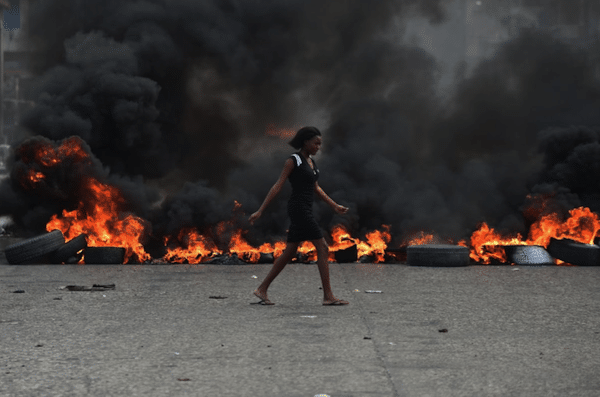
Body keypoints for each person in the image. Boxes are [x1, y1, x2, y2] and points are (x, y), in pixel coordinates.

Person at [249, 126, 350, 306]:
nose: (318, 147)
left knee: (289, 252)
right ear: (306, 142)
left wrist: (334, 205)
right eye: (316, 143)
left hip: (306, 209)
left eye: (320, 144)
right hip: (299, 210)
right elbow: (278, 186)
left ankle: (261, 289)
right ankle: (328, 296)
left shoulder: (311, 162)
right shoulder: (293, 160)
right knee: (323, 247)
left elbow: (316, 188)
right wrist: (260, 210)